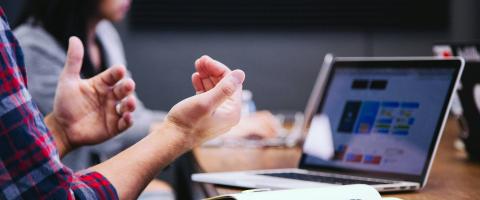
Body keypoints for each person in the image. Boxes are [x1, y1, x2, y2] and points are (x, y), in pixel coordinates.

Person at [0, 5, 246, 198]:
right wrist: (183, 130)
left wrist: (61, 131)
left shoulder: (104, 34)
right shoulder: (31, 46)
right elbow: (53, 195)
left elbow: (133, 117)